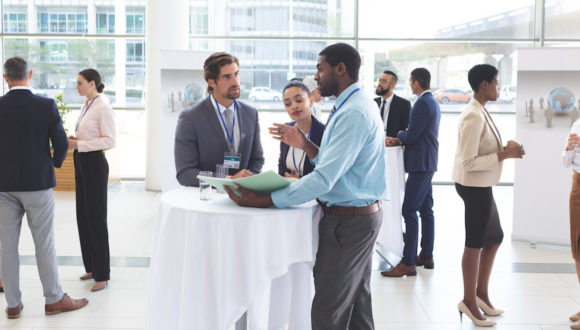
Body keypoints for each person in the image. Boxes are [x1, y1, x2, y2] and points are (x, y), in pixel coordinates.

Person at [224, 43, 387, 330]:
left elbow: (324, 179)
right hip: (357, 217)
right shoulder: (355, 104)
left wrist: (263, 199)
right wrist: (305, 145)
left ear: (340, 69)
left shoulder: (353, 113)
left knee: (328, 311)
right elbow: (338, 164)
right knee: (357, 308)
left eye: (320, 68)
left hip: (349, 223)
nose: (316, 75)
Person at [0, 56, 88, 318]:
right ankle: (53, 299)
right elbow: (61, 143)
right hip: (38, 184)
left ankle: (13, 304)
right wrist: (52, 164)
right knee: (44, 244)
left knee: (6, 246)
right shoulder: (45, 105)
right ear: (30, 75)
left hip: (4, 186)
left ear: (5, 78)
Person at [453, 64, 524, 327]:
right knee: (474, 243)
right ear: (484, 85)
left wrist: (504, 151)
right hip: (473, 186)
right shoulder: (473, 115)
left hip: (481, 185)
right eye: (495, 82)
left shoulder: (480, 111)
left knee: (494, 236)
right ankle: (468, 301)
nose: (498, 87)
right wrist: (503, 155)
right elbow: (468, 163)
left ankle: (480, 293)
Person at [382, 68, 440, 277]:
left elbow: (413, 134)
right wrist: (402, 138)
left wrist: (398, 135)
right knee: (426, 210)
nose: (410, 84)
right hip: (426, 162)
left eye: (411, 81)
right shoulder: (431, 101)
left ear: (417, 83)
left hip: (420, 164)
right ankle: (426, 255)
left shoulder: (423, 103)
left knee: (409, 211)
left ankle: (408, 262)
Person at [175, 52, 264, 186]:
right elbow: (185, 173)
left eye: (236, 74)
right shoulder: (190, 118)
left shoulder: (251, 114)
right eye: (227, 77)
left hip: (244, 198)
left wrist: (247, 179)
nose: (235, 82)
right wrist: (227, 181)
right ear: (212, 82)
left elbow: (257, 160)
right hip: (208, 200)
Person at [68, 69, 116, 292]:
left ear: (92, 83)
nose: (76, 86)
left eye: (80, 83)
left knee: (95, 216)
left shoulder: (102, 107)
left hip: (94, 163)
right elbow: (89, 135)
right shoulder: (87, 104)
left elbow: (109, 140)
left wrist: (80, 145)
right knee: (82, 214)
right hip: (81, 161)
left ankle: (102, 274)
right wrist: (76, 141)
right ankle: (91, 266)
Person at [278, 80, 325, 178]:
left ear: (311, 101)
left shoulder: (324, 133)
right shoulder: (287, 129)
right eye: (288, 104)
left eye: (299, 100)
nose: (294, 106)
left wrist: (298, 181)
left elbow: (326, 173)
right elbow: (282, 170)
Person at [563, 119, 580, 329]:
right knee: (577, 246)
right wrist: (568, 149)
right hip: (577, 185)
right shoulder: (577, 123)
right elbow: (565, 162)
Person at [374, 70, 411, 138]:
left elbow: (406, 131)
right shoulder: (374, 103)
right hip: (375, 144)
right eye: (380, 80)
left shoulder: (404, 105)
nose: (380, 83)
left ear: (392, 85)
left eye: (384, 81)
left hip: (394, 146)